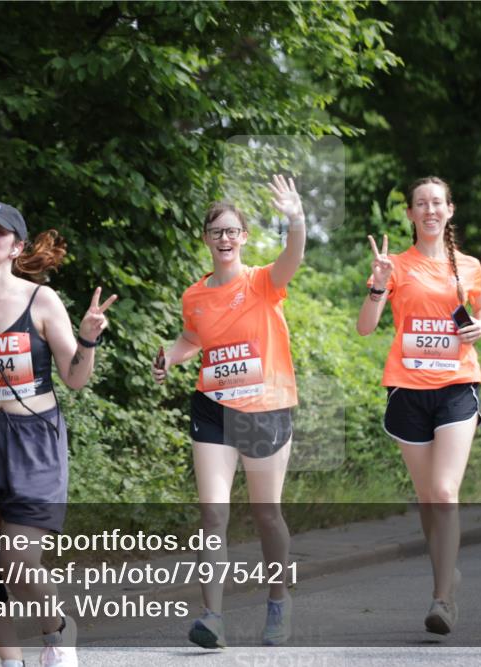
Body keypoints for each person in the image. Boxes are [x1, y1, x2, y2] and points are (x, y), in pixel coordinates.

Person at [0, 202, 115, 667]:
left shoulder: (40, 300)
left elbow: (76, 378)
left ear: (16, 247)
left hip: (34, 439)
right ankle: (10, 660)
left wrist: (87, 339)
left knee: (19, 562)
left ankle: (58, 630)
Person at [152, 175, 305, 648]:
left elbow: (293, 256)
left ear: (243, 238)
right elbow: (193, 338)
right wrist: (170, 356)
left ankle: (278, 600)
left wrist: (295, 218)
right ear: (206, 238)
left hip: (265, 408)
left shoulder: (262, 282)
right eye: (216, 231)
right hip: (213, 408)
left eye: (231, 231)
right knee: (213, 515)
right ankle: (212, 618)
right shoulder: (194, 296)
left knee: (266, 514)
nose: (224, 239)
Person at [357, 176, 481, 635]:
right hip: (408, 390)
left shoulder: (469, 266)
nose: (430, 209)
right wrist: (377, 286)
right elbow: (365, 328)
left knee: (443, 492)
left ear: (450, 210)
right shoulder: (394, 264)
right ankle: (446, 571)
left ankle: (442, 599)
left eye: (438, 202)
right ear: (412, 214)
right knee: (425, 498)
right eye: (421, 203)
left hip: (457, 385)